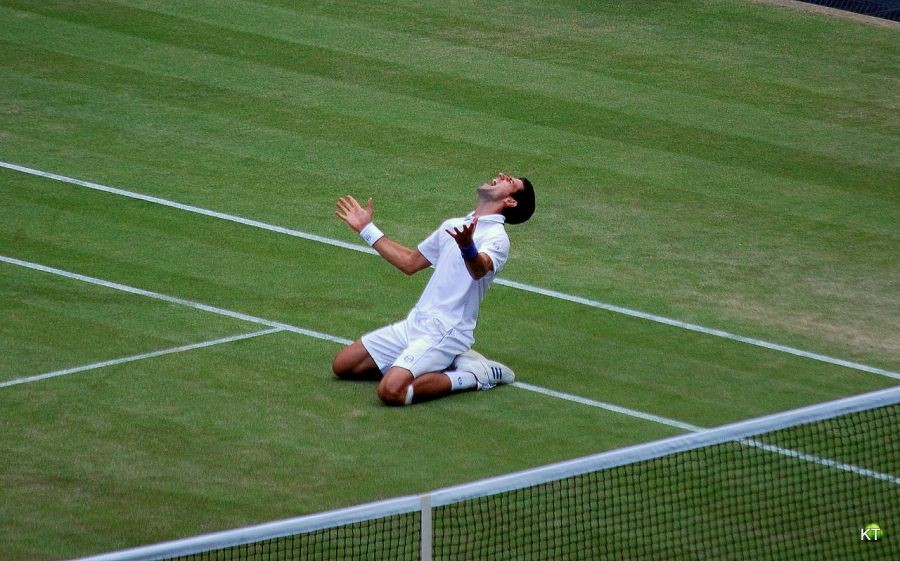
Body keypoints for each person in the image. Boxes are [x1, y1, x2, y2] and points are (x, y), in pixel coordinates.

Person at [332, 172, 536, 406]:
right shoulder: (454, 226)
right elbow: (410, 263)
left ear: (510, 201)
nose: (501, 175)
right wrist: (366, 229)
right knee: (343, 364)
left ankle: (474, 376)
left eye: (509, 181)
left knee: (391, 391)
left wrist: (468, 247)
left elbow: (479, 269)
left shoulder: (497, 238)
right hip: (416, 323)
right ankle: (434, 362)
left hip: (447, 331)